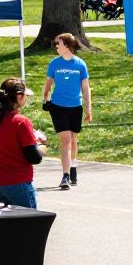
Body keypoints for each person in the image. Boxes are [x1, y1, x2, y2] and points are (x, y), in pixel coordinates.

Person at [0, 78, 46, 208]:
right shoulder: (22, 122)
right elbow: (33, 157)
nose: (26, 99)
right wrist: (40, 147)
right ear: (18, 96)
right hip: (18, 182)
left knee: (8, 227)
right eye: (25, 95)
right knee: (29, 225)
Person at [43, 33, 91, 190]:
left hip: (75, 107)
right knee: (65, 139)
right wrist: (46, 99)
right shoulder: (54, 64)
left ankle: (73, 167)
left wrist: (88, 108)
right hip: (58, 106)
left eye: (59, 44)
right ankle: (65, 176)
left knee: (73, 139)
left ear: (67, 46)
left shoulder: (80, 64)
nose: (56, 46)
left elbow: (85, 88)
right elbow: (48, 85)